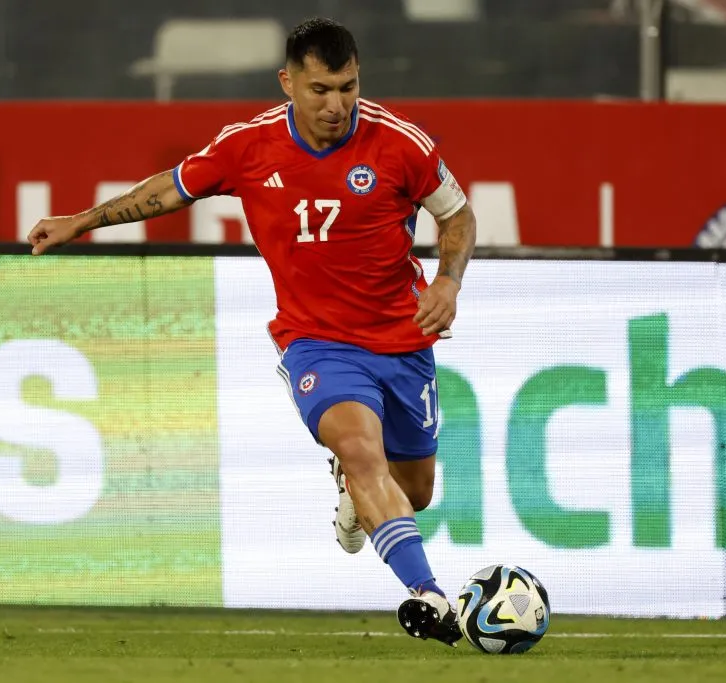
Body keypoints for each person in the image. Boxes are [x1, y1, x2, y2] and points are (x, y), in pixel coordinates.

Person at [27, 17, 476, 647]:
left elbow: (456, 217)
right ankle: (429, 595)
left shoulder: (400, 143)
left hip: (402, 340)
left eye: (348, 87)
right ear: (287, 82)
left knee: (417, 491)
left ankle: (356, 498)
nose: (337, 105)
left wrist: (449, 282)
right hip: (315, 341)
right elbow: (169, 192)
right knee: (359, 449)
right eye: (320, 89)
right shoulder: (248, 145)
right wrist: (84, 220)